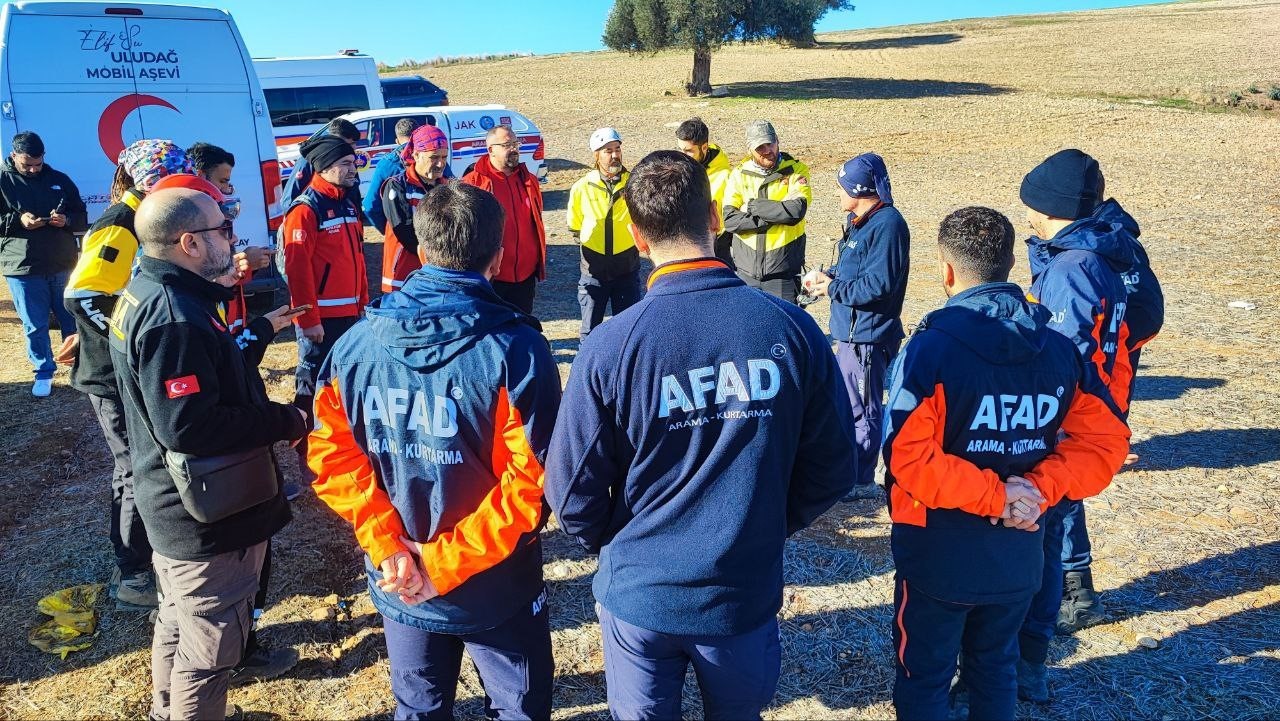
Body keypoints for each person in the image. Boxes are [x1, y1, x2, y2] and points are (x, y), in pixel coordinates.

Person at [546, 151, 857, 720]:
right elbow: (836, 463)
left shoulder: (612, 346)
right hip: (740, 590)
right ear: (715, 216)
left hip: (642, 594)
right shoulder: (790, 327)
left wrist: (622, 544)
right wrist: (763, 522)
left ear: (637, 238)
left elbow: (569, 494)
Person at [309, 182, 558, 720]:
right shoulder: (516, 351)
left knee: (419, 710)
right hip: (490, 585)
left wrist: (393, 551)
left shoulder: (353, 346)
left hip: (402, 581)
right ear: (497, 259)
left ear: (421, 251)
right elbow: (535, 485)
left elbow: (333, 460)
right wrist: (427, 561)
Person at [882, 206, 1130, 721]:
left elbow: (909, 459)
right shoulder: (1060, 349)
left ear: (945, 270)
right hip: (1020, 549)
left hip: (938, 553)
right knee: (996, 668)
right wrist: (1037, 490)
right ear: (1012, 262)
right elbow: (1106, 441)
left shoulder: (930, 351)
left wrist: (1009, 493)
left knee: (924, 675)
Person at [108, 187, 307, 720]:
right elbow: (190, 426)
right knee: (210, 648)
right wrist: (288, 419)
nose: (232, 238)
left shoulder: (152, 290)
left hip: (174, 502)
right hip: (204, 514)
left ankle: (167, 714)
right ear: (189, 243)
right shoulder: (175, 317)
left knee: (177, 618)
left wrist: (261, 329)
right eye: (223, 230)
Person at [1016, 148, 1135, 702]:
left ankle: (1031, 658)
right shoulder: (1095, 256)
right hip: (1090, 411)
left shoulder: (1072, 270)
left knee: (1042, 536)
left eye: (1032, 204)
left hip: (1068, 420)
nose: (1028, 215)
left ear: (1048, 206)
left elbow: (1062, 356)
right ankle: (1069, 597)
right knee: (1057, 520)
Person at [63, 139, 193, 609]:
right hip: (111, 374)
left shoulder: (145, 216)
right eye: (169, 177)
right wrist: (125, 340)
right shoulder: (121, 223)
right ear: (145, 179)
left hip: (126, 367)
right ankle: (134, 573)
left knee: (147, 462)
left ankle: (151, 557)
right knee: (131, 469)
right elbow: (84, 296)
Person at [1055, 169, 1165, 634]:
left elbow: (1143, 315)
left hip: (1080, 402)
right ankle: (1069, 588)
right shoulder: (1102, 246)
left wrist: (1101, 370)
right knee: (1062, 493)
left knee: (1059, 492)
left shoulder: (1084, 259)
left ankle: (1072, 594)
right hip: (1095, 398)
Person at [805, 153, 910, 501]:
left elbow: (879, 285)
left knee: (863, 408)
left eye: (841, 187)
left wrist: (832, 289)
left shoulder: (888, 225)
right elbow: (855, 270)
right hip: (849, 333)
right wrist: (829, 276)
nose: (837, 194)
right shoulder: (860, 221)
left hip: (866, 335)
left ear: (859, 189)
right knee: (848, 402)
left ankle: (862, 479)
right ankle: (851, 470)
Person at [282, 134, 368, 475]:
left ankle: (342, 451)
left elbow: (358, 259)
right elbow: (297, 270)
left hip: (351, 315)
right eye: (346, 164)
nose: (354, 170)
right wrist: (307, 320)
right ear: (326, 167)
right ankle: (307, 458)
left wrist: (362, 303)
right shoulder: (305, 210)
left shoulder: (346, 202)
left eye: (353, 163)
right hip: (321, 322)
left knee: (346, 386)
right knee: (313, 388)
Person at [0, 131, 87, 396]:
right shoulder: (3, 182)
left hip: (62, 262)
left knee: (70, 320)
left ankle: (78, 367)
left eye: (38, 164)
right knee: (34, 324)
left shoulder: (59, 179)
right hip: (22, 267)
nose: (33, 169)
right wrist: (18, 221)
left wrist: (67, 221)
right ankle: (43, 372)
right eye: (27, 164)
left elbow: (81, 215)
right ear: (14, 156)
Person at [722, 120, 811, 303]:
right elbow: (730, 220)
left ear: (777, 141)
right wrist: (774, 214)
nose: (767, 150)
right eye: (760, 147)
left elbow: (795, 212)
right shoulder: (738, 174)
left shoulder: (796, 170)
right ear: (750, 150)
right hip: (746, 273)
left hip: (783, 273)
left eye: (770, 143)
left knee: (786, 328)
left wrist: (752, 207)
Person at [462, 124, 546, 313]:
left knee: (522, 328)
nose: (514, 149)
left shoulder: (530, 180)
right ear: (491, 149)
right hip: (490, 277)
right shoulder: (473, 184)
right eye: (507, 145)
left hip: (525, 275)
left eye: (516, 143)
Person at [567, 127, 641, 339]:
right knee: (590, 332)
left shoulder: (635, 183)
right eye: (608, 150)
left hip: (627, 269)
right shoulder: (582, 187)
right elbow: (575, 226)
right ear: (596, 155)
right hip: (593, 272)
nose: (615, 155)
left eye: (617, 149)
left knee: (629, 331)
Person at [380, 124, 449, 293]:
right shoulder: (398, 185)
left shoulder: (447, 186)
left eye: (444, 157)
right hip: (403, 274)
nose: (440, 164)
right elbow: (404, 229)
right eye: (434, 157)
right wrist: (435, 255)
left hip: (436, 272)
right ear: (416, 155)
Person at [674, 117, 733, 266]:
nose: (683, 156)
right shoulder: (683, 166)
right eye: (680, 149)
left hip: (715, 244)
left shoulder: (725, 176)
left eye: (688, 151)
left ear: (704, 147)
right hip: (686, 240)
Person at [284, 118, 364, 212]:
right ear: (333, 140)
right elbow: (289, 199)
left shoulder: (350, 158)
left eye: (355, 143)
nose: (354, 147)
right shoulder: (310, 160)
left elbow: (353, 192)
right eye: (350, 143)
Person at [364, 116, 418, 232]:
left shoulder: (386, 164)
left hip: (401, 231)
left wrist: (389, 230)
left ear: (397, 141)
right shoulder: (433, 158)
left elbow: (370, 205)